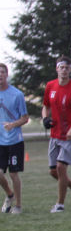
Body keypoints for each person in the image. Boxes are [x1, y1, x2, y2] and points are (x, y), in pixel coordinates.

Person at [42, 56, 71, 213]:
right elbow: (46, 106)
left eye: (67, 68)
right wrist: (45, 118)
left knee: (61, 168)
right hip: (55, 135)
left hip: (70, 136)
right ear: (57, 69)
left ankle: (59, 205)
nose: (64, 70)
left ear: (70, 70)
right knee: (53, 171)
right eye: (61, 67)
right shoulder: (50, 86)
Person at [0, 63, 30, 214]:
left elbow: (25, 118)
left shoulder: (17, 94)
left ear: (6, 75)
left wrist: (12, 125)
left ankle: (18, 205)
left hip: (14, 141)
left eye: (2, 72)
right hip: (0, 141)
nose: (0, 75)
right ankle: (9, 194)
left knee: (13, 173)